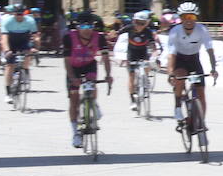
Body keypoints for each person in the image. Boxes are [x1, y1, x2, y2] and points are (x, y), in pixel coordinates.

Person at [62, 11, 113, 147]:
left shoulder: (100, 37)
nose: (87, 30)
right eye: (83, 27)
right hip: (73, 67)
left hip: (89, 65)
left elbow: (106, 57)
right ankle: (75, 133)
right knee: (74, 100)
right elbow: (66, 60)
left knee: (92, 84)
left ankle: (93, 103)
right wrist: (72, 77)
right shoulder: (69, 37)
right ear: (77, 27)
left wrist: (108, 75)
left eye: (90, 27)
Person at [164, 1, 218, 128]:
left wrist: (213, 68)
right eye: (185, 17)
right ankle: (177, 107)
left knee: (201, 93)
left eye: (192, 17)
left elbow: (210, 50)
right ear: (180, 19)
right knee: (180, 77)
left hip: (194, 60)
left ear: (196, 18)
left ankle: (201, 123)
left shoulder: (202, 30)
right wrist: (170, 73)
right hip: (180, 59)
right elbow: (171, 54)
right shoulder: (175, 31)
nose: (188, 20)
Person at [117, 10, 163, 110]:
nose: (139, 25)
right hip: (131, 54)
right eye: (137, 22)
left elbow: (153, 46)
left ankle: (145, 79)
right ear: (133, 21)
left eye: (142, 23)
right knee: (131, 77)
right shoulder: (129, 28)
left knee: (147, 65)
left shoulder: (148, 32)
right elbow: (116, 34)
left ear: (146, 23)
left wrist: (155, 56)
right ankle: (132, 100)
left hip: (143, 53)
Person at [0, 4, 39, 106]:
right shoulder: (7, 21)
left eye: (22, 14)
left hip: (23, 41)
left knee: (28, 55)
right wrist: (7, 51)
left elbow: (36, 36)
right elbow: (4, 38)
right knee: (10, 66)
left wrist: (36, 48)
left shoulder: (30, 21)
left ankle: (24, 71)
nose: (19, 16)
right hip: (11, 42)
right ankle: (8, 93)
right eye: (17, 14)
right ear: (13, 14)